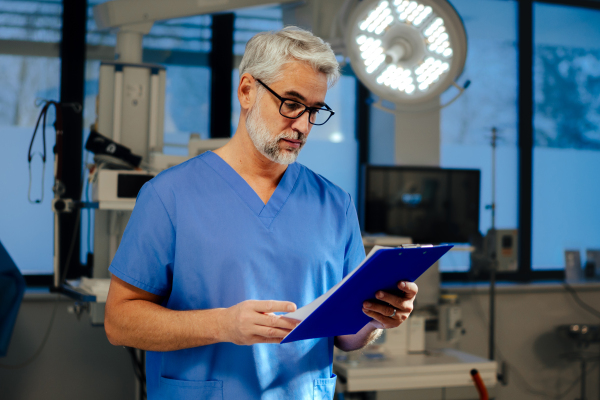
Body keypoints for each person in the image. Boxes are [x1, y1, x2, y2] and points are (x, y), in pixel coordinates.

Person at [104, 26, 418, 400]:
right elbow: (119, 322)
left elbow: (347, 336)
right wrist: (222, 324)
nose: (302, 125)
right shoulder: (168, 195)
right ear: (247, 91)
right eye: (291, 103)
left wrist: (377, 318)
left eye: (314, 110)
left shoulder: (335, 204)